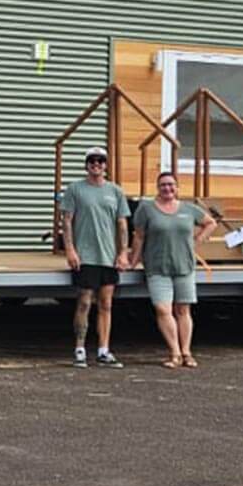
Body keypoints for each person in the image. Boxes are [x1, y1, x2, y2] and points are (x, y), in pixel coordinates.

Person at [129, 170, 217, 369]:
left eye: (171, 185)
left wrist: (196, 241)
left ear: (177, 188)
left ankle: (186, 352)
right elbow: (139, 236)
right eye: (163, 185)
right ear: (158, 188)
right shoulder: (147, 209)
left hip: (184, 266)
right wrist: (133, 261)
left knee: (183, 309)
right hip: (157, 267)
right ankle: (174, 352)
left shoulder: (188, 209)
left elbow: (211, 223)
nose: (167, 188)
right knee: (163, 308)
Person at [61, 145, 130, 368]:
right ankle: (80, 349)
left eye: (100, 161)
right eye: (92, 160)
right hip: (86, 256)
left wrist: (122, 252)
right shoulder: (75, 189)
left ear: (106, 165)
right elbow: (67, 221)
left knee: (106, 304)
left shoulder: (115, 191)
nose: (96, 165)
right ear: (86, 164)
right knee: (83, 302)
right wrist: (70, 249)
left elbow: (122, 224)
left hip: (108, 257)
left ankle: (103, 349)